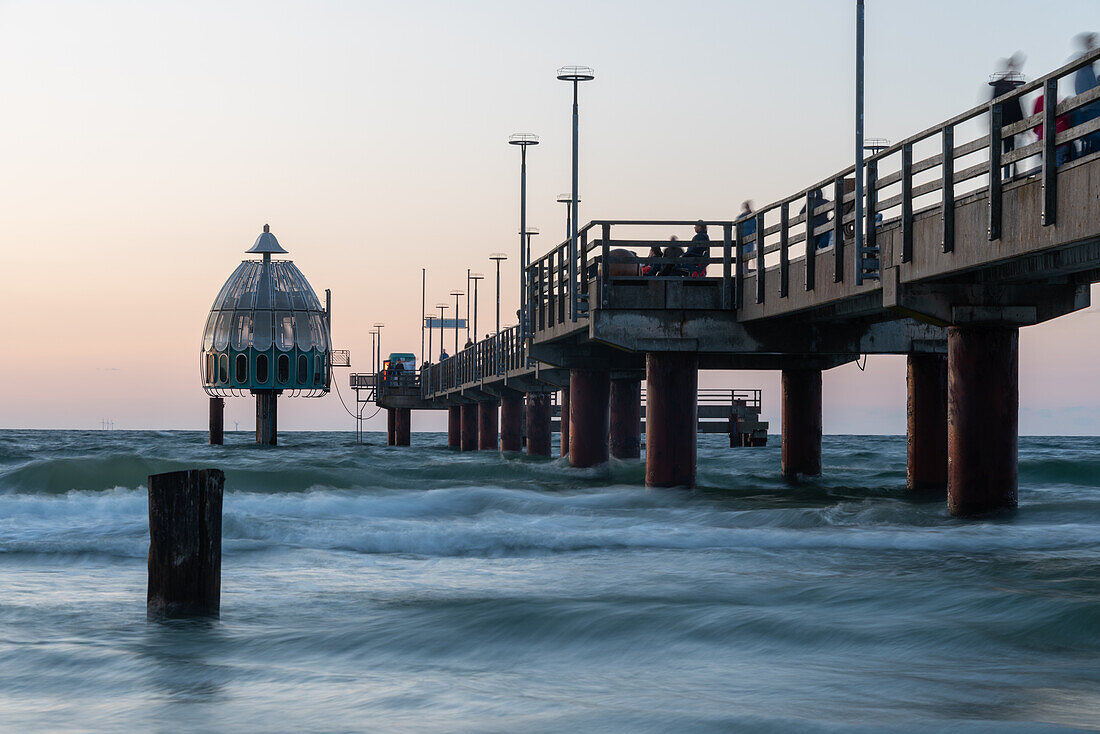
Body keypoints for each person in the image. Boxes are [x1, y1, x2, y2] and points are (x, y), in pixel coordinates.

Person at [989, 53, 1026, 180]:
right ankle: (1007, 177)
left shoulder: (1006, 86)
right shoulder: (1001, 86)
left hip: (1010, 125)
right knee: (1007, 151)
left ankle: (1011, 176)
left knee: (1011, 151)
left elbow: (1017, 107)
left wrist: (1023, 124)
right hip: (1003, 125)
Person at [1072, 33, 1099, 156]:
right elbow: (1085, 91)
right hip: (1090, 109)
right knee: (1095, 139)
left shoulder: (1087, 70)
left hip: (1090, 108)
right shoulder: (1084, 68)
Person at [1032, 93, 1073, 166]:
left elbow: (1035, 125)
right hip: (1061, 141)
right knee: (1057, 164)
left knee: (1049, 166)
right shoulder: (1061, 105)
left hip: (1045, 141)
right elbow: (1068, 124)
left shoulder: (1041, 99)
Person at [738, 201, 756, 268]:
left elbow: (755, 227)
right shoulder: (742, 216)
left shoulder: (752, 216)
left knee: (750, 255)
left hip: (750, 239)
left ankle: (747, 269)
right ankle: (745, 270)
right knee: (745, 256)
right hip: (744, 238)